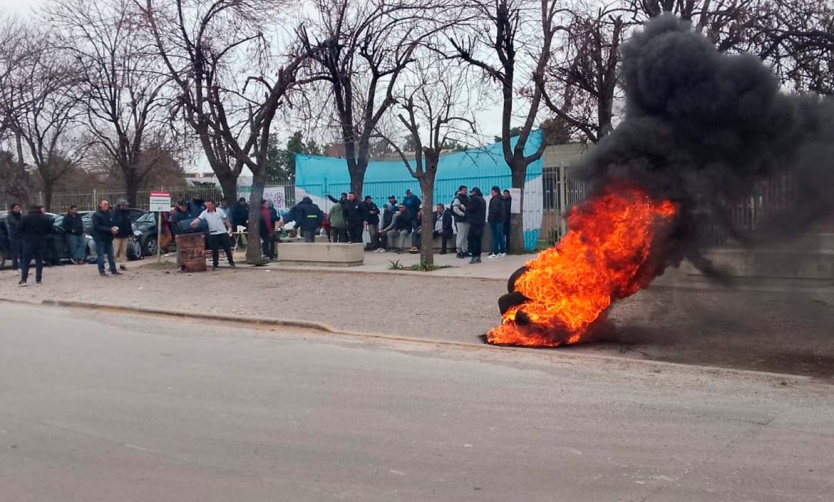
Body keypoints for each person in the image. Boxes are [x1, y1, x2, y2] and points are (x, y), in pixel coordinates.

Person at [191, 200, 235, 270]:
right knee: (214, 250)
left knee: (227, 248)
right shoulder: (205, 213)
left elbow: (225, 219)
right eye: (207, 205)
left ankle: (231, 262)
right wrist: (194, 223)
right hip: (213, 233)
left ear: (213, 205)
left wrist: (229, 226)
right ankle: (215, 264)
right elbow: (199, 219)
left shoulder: (220, 211)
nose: (208, 206)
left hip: (222, 232)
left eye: (209, 205)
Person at [17, 205, 52, 286]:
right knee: (39, 261)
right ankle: (38, 280)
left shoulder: (25, 218)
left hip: (28, 241)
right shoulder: (45, 218)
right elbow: (50, 230)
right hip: (41, 241)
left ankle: (24, 280)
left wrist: (23, 236)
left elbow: (18, 230)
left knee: (26, 262)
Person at [92, 199, 121, 277]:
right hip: (100, 238)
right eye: (105, 204)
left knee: (111, 255)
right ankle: (102, 271)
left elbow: (112, 223)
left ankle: (113, 269)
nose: (106, 206)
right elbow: (97, 226)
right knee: (100, 255)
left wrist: (114, 229)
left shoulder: (109, 214)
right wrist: (109, 230)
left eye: (107, 204)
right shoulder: (96, 215)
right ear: (100, 205)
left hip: (108, 238)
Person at [466, 187, 486, 264]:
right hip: (481, 222)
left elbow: (471, 209)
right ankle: (478, 256)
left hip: (475, 222)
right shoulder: (482, 199)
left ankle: (474, 255)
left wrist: (466, 207)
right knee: (478, 239)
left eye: (472, 192)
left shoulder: (475, 199)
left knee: (472, 238)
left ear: (475, 192)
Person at [487, 186, 507, 258]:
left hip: (495, 221)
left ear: (496, 192)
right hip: (501, 220)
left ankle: (495, 252)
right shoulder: (501, 199)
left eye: (492, 192)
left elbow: (494, 211)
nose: (491, 193)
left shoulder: (495, 200)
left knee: (495, 236)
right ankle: (502, 251)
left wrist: (490, 219)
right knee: (500, 236)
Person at [113, 200, 132, 271]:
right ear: (121, 205)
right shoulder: (115, 213)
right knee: (115, 250)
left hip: (125, 234)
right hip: (117, 235)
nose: (127, 207)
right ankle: (112, 265)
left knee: (123, 251)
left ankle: (122, 264)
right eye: (125, 205)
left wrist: (131, 232)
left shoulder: (127, 213)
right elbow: (113, 223)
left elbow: (129, 223)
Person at [452, 185, 470, 258]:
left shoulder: (467, 198)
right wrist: (463, 214)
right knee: (461, 235)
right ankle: (459, 251)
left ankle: (465, 250)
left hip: (467, 219)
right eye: (464, 190)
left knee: (465, 236)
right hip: (461, 220)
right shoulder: (458, 198)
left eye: (466, 190)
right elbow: (455, 209)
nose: (465, 191)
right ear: (460, 190)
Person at [5, 203, 23, 271]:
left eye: (18, 207)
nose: (17, 209)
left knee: (22, 253)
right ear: (12, 209)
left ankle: (22, 267)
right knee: (15, 253)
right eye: (16, 208)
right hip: (14, 236)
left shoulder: (21, 215)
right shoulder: (10, 216)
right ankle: (15, 269)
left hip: (21, 236)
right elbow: (14, 223)